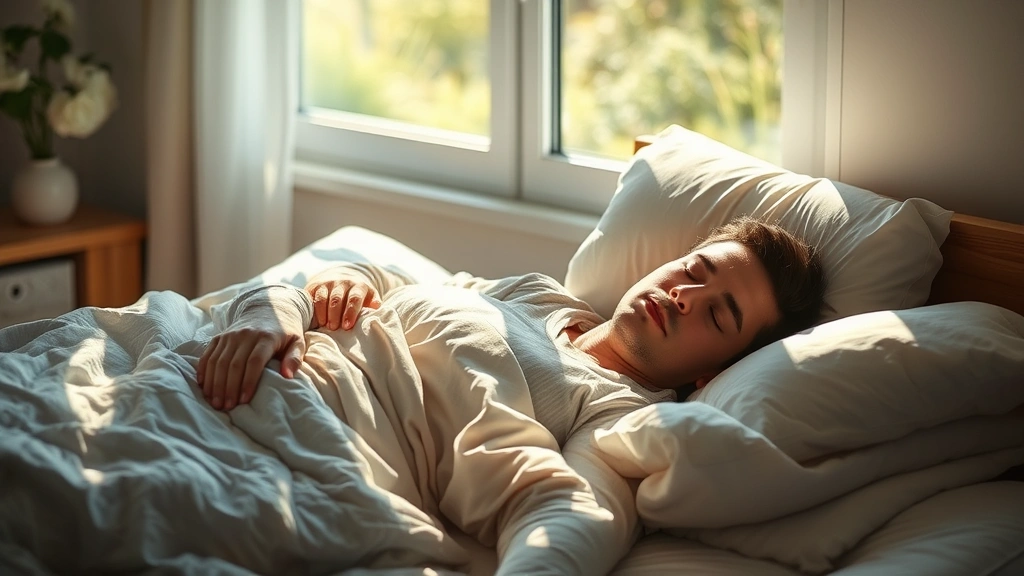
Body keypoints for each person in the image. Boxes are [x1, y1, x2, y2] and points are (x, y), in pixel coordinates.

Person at [196, 216, 827, 575]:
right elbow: (374, 280)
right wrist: (276, 310)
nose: (685, 296)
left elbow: (572, 514)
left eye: (717, 315)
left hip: (289, 443)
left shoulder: (618, 414)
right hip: (226, 367)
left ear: (712, 375)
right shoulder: (536, 293)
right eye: (693, 271)